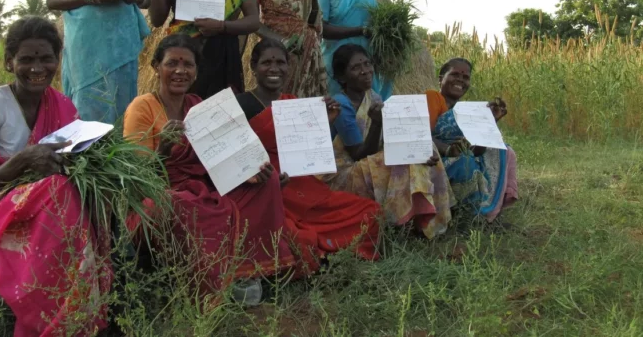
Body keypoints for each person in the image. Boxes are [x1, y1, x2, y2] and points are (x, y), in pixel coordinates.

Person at [0, 17, 111, 336]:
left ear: (57, 60)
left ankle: (85, 309)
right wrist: (21, 163)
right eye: (27, 59)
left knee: (76, 194)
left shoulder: (63, 105)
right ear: (10, 63)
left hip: (45, 206)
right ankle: (49, 317)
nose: (37, 67)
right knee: (58, 189)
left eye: (46, 58)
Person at [123, 34, 296, 302]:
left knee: (266, 182)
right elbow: (136, 177)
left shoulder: (199, 107)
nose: (180, 70)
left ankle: (244, 270)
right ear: (156, 66)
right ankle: (207, 282)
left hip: (203, 188)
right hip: (159, 194)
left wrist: (249, 172)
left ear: (196, 71)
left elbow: (224, 159)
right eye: (172, 63)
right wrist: (163, 151)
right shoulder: (142, 107)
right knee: (179, 204)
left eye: (188, 64)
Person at [236, 39, 381, 272]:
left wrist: (325, 121)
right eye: (267, 62)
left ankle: (330, 253)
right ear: (253, 66)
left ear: (288, 67)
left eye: (281, 62)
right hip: (264, 187)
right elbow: (236, 158)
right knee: (290, 233)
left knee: (370, 212)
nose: (275, 68)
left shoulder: (293, 103)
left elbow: (307, 149)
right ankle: (324, 254)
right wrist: (259, 178)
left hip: (301, 185)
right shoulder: (240, 104)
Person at [325, 44, 455, 238]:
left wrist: (416, 150)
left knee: (425, 151)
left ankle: (426, 218)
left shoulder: (374, 97)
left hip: (368, 162)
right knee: (407, 160)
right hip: (345, 173)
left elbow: (389, 140)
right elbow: (358, 154)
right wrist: (377, 124)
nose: (365, 71)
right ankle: (403, 221)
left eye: (367, 64)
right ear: (342, 78)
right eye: (356, 67)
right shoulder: (342, 104)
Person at [426, 58, 518, 222]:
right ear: (441, 78)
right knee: (465, 161)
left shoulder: (467, 111)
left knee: (504, 151)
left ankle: (489, 213)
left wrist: (490, 120)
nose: (460, 79)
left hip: (461, 155)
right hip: (434, 156)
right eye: (454, 74)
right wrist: (448, 149)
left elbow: (477, 150)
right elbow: (424, 134)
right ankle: (467, 216)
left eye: (465, 77)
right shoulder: (432, 98)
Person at [318, 0, 392, 100]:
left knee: (368, 105)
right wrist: (360, 31)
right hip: (337, 62)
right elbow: (322, 29)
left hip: (364, 59)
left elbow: (377, 24)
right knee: (339, 105)